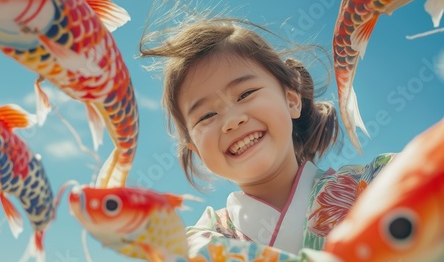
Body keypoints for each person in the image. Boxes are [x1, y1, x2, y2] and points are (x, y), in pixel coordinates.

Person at [139, 16, 396, 257]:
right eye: (206, 116)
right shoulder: (196, 245)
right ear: (195, 150)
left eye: (245, 94)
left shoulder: (377, 183)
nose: (231, 121)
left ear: (291, 100)